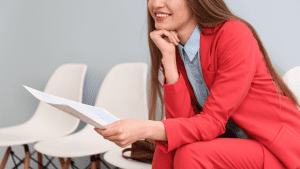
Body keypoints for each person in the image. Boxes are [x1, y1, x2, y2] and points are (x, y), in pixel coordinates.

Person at [94, 0, 300, 168]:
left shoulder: (234, 34)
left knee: (190, 153)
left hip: (275, 149)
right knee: (170, 148)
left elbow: (211, 122)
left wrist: (144, 128)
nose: (156, 4)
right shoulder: (175, 47)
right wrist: (169, 59)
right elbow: (184, 123)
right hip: (235, 145)